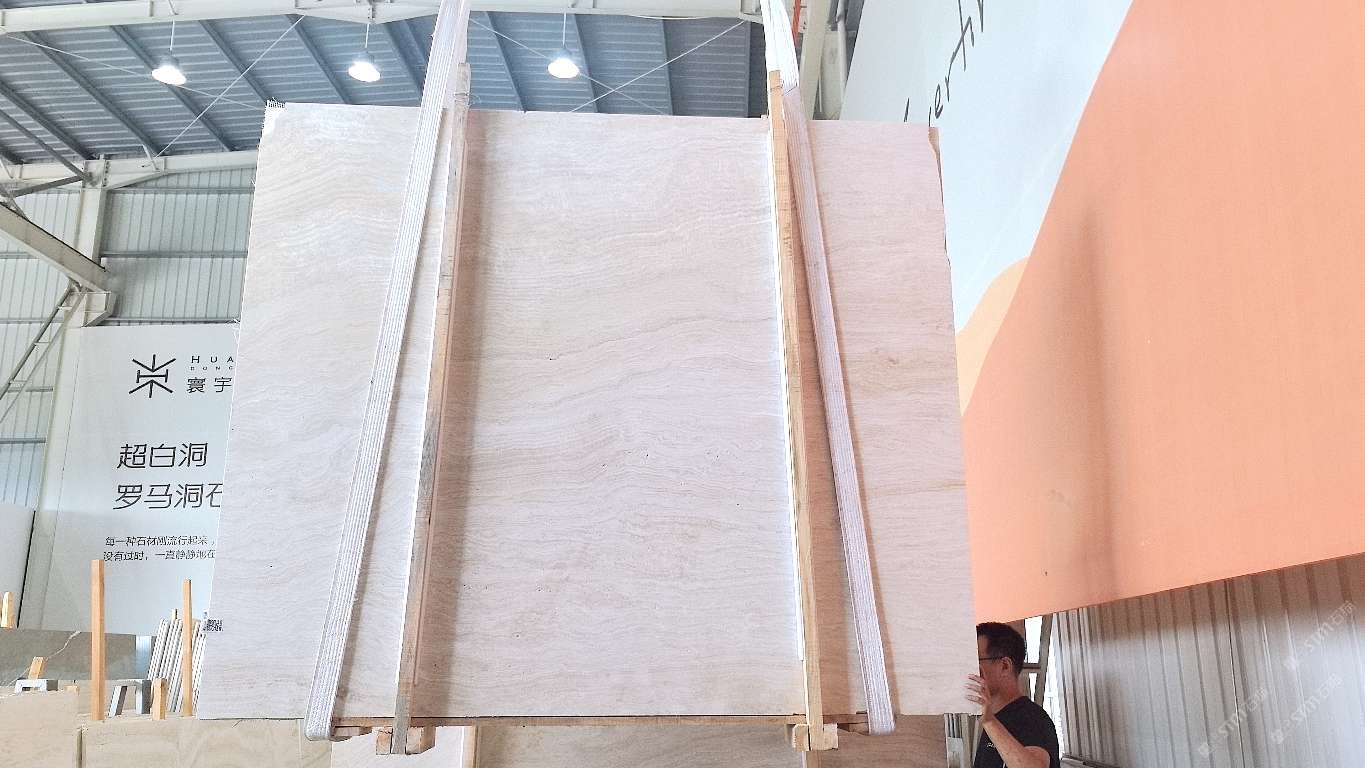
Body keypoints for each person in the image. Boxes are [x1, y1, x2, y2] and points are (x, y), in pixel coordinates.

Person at [966, 622, 1061, 768]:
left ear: (1005, 666)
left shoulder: (1032, 719)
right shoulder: (995, 718)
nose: (969, 670)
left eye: (975, 661)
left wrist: (989, 721)